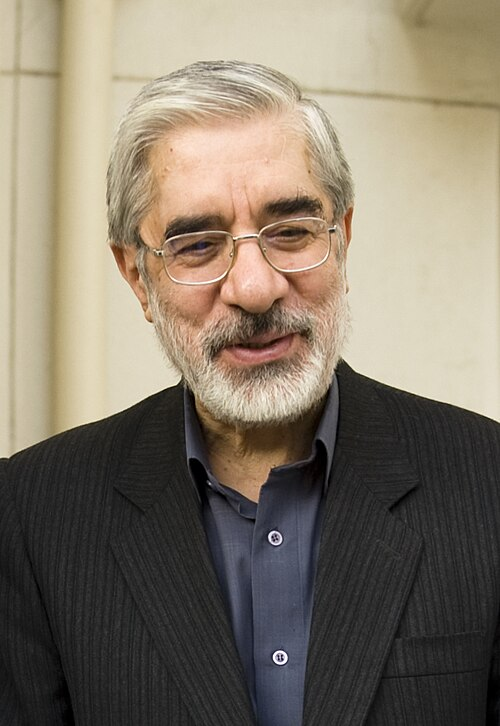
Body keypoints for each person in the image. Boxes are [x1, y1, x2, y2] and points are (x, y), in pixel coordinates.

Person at [0, 60, 499, 726]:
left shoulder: (487, 483)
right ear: (138, 278)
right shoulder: (32, 517)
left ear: (342, 240)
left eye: (290, 233)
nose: (256, 288)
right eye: (198, 246)